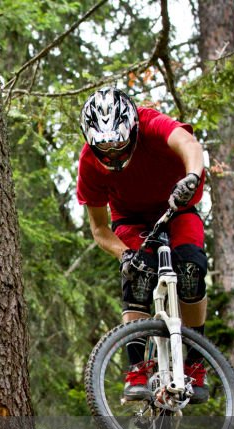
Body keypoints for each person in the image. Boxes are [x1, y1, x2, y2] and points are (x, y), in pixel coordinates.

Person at [76, 87, 209, 402]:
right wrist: (124, 254)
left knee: (191, 268)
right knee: (136, 273)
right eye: (104, 151)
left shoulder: (150, 123)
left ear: (133, 130)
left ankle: (195, 362)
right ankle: (138, 367)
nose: (113, 157)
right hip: (131, 223)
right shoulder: (88, 165)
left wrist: (191, 177)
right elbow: (98, 228)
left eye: (120, 148)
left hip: (177, 209)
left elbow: (189, 143)